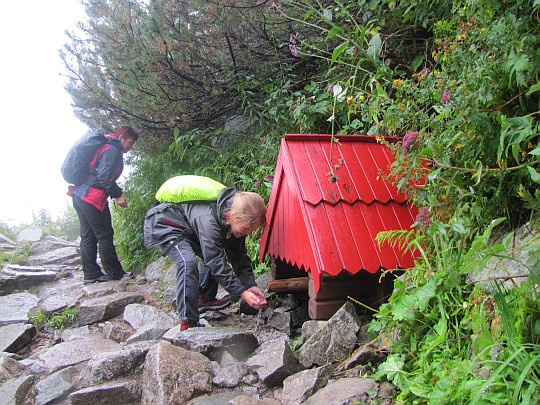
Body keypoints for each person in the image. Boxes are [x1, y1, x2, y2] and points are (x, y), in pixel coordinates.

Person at [143, 188, 268, 330]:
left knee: (210, 253)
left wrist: (250, 285)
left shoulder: (235, 223)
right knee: (187, 262)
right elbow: (215, 261)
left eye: (251, 230)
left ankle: (203, 298)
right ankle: (188, 321)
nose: (248, 233)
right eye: (246, 229)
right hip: (165, 223)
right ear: (233, 216)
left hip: (188, 227)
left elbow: (239, 258)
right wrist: (242, 292)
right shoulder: (209, 221)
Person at [68, 126, 139, 284]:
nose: (131, 147)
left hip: (79, 193)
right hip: (92, 196)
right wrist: (118, 194)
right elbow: (104, 174)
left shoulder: (105, 146)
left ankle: (91, 274)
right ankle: (115, 273)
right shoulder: (112, 149)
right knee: (105, 234)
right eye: (131, 142)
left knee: (88, 235)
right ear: (122, 137)